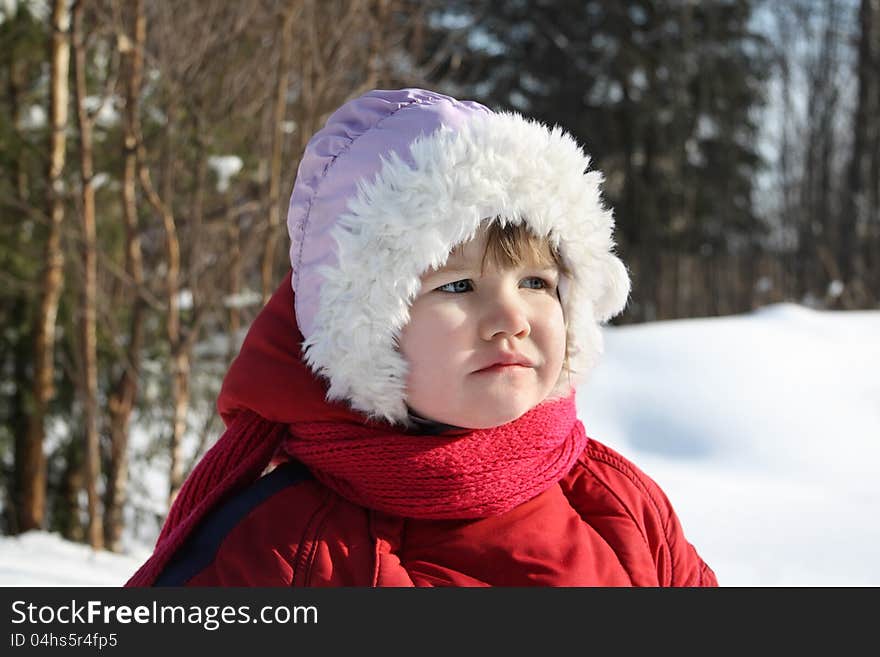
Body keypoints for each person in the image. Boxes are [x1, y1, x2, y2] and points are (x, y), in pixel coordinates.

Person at [127, 88, 717, 587]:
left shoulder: (616, 505)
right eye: (458, 286)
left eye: (537, 281)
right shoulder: (286, 548)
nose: (510, 317)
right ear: (365, 326)